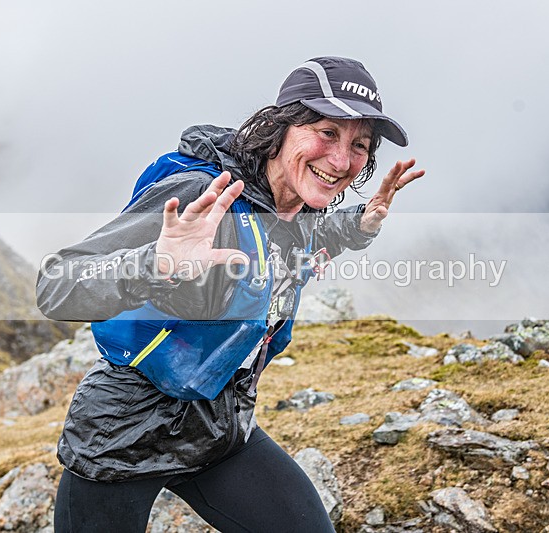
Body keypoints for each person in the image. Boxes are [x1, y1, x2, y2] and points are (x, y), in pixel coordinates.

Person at [37, 56, 424, 532]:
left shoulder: (292, 207)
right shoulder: (205, 193)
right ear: (282, 128)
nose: (342, 161)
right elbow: (57, 285)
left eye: (359, 145)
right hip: (123, 435)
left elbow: (300, 244)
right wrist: (155, 265)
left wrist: (359, 226)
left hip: (219, 430)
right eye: (327, 133)